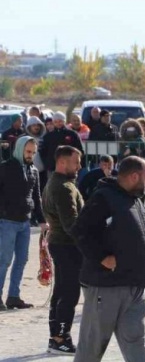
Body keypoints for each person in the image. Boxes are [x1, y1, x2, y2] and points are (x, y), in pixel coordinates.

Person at [70, 156, 145, 362]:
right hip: (106, 287)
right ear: (134, 176)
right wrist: (102, 257)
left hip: (135, 287)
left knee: (136, 344)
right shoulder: (104, 198)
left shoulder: (135, 200)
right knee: (91, 349)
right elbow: (80, 231)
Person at [42, 146, 85, 355]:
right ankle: (61, 338)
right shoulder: (63, 187)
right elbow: (72, 224)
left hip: (61, 244)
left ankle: (56, 337)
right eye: (76, 162)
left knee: (61, 291)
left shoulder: (56, 182)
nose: (80, 166)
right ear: (62, 162)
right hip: (67, 245)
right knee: (69, 292)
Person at [0, 136, 44, 310]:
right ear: (19, 149)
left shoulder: (34, 170)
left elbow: (36, 197)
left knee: (22, 260)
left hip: (25, 222)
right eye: (28, 152)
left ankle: (13, 296)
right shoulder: (5, 168)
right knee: (4, 261)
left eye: (33, 152)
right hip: (6, 221)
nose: (30, 155)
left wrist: (42, 220)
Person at [39, 112, 84, 181]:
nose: (58, 123)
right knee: (53, 187)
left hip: (69, 168)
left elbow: (79, 150)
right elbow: (43, 152)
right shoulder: (48, 136)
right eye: (55, 121)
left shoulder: (72, 134)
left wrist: (75, 163)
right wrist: (47, 163)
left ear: (64, 121)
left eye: (60, 121)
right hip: (52, 168)